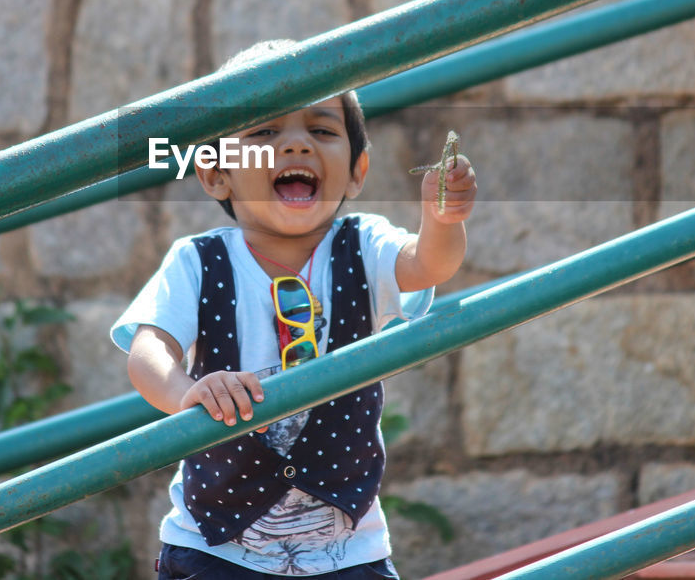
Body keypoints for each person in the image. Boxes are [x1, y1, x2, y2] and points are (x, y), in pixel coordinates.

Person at [111, 41, 477, 578]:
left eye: (322, 131)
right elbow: (149, 351)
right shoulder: (198, 261)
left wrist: (443, 222)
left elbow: (428, 265)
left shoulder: (363, 244)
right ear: (215, 173)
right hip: (214, 548)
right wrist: (184, 390)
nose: (297, 145)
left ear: (357, 170)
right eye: (264, 133)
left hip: (349, 552)